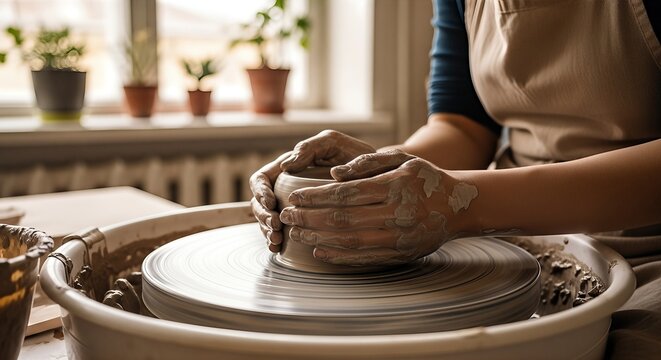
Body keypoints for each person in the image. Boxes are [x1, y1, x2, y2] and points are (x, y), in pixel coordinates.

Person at [250, 0, 660, 358]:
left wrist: (466, 203)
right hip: (511, 236)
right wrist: (378, 170)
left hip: (645, 247)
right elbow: (462, 126)